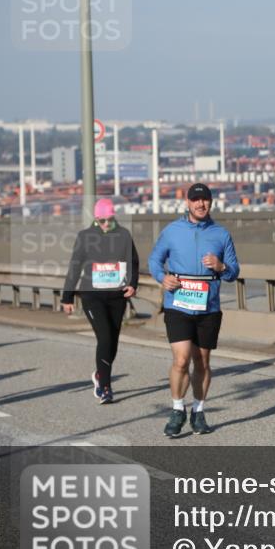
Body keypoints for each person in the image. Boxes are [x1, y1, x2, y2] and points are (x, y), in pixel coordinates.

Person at [148, 183, 239, 437]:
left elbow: (234, 271)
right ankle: (177, 409)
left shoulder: (221, 234)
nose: (201, 204)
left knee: (202, 361)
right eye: (196, 200)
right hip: (178, 302)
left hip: (208, 306)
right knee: (181, 359)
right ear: (187, 203)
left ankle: (198, 411)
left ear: (211, 203)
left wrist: (221, 266)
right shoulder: (172, 231)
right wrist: (161, 277)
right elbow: (155, 259)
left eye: (205, 200)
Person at [61, 198, 139, 404]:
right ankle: (105, 387)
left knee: (112, 341)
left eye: (110, 220)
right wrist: (67, 296)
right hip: (91, 295)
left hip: (117, 296)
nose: (106, 224)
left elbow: (133, 262)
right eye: (102, 220)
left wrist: (132, 284)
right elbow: (75, 267)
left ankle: (99, 374)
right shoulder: (85, 236)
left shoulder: (123, 235)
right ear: (96, 219)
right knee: (104, 338)